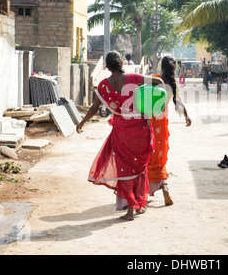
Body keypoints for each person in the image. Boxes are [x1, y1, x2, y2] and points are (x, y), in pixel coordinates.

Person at [76, 50, 164, 220]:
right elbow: (159, 82)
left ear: (107, 66)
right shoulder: (133, 79)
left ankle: (131, 209)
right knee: (140, 167)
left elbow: (94, 108)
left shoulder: (103, 85)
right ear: (121, 63)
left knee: (124, 169)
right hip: (140, 128)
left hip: (121, 131)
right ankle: (138, 206)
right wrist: (153, 104)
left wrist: (82, 122)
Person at [147, 55, 191, 205]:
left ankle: (144, 191)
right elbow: (177, 102)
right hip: (162, 124)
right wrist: (187, 116)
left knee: (147, 155)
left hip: (148, 122)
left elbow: (139, 92)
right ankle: (164, 188)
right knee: (159, 157)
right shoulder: (173, 84)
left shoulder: (154, 78)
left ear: (161, 66)